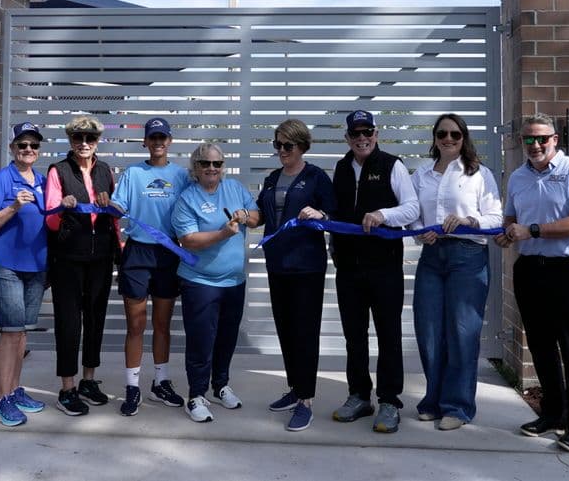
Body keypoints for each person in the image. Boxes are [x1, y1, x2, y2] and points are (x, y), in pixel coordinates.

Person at [493, 114, 569, 456]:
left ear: (555, 139)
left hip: (565, 270)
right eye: (528, 140)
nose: (535, 145)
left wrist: (532, 230)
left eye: (541, 139)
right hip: (529, 270)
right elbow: (511, 218)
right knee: (539, 345)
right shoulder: (519, 177)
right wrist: (507, 233)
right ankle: (552, 414)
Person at [328, 110, 420, 434]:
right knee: (354, 337)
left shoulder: (392, 165)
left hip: (384, 268)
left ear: (376, 134)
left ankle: (390, 401)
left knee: (389, 336)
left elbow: (412, 208)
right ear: (348, 138)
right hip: (348, 270)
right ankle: (358, 396)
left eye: (367, 132)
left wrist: (383, 214)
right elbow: (333, 210)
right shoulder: (340, 168)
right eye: (355, 134)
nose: (361, 138)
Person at [410, 114, 503, 431]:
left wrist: (469, 221)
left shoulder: (479, 173)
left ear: (464, 137)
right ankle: (433, 401)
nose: (448, 139)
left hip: (468, 255)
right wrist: (419, 231)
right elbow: (411, 213)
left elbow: (496, 218)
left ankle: (458, 406)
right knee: (429, 331)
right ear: (434, 138)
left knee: (463, 333)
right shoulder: (421, 174)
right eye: (441, 133)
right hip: (432, 256)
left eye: (455, 134)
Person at [256, 119, 337, 432]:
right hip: (277, 266)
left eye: (287, 145)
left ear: (302, 145)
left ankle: (306, 401)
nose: (281, 151)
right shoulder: (273, 178)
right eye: (277, 145)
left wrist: (320, 214)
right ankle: (294, 387)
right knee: (286, 330)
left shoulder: (315, 177)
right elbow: (263, 213)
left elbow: (334, 211)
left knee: (304, 332)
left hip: (306, 268)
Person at [171, 143, 262, 423]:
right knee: (201, 341)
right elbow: (188, 240)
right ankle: (196, 395)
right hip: (200, 282)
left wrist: (246, 216)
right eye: (206, 164)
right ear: (195, 168)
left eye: (217, 164)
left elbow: (257, 217)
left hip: (234, 281)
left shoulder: (234, 188)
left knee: (226, 338)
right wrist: (223, 233)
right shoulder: (187, 198)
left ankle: (220, 385)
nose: (212, 169)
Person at [110, 117, 190, 416]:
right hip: (138, 254)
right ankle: (132, 387)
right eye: (153, 137)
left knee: (162, 324)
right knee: (135, 325)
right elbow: (119, 206)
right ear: (145, 141)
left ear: (170, 141)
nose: (158, 142)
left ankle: (160, 382)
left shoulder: (181, 175)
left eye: (163, 137)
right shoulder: (133, 173)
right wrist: (108, 204)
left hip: (168, 253)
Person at [0, 122, 50, 427]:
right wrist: (13, 208)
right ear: (12, 149)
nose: (28, 150)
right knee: (9, 333)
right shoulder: (1, 179)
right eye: (22, 145)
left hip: (35, 268)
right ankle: (1, 400)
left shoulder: (45, 181)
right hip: (4, 266)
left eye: (33, 145)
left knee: (20, 333)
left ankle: (15, 391)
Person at [44, 115, 118, 416]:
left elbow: (116, 215)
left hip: (100, 257)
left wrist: (110, 205)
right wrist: (63, 207)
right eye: (78, 138)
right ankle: (67, 387)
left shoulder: (105, 171)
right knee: (69, 323)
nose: (84, 144)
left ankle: (88, 380)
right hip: (68, 259)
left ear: (98, 141)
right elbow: (49, 219)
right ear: (70, 141)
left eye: (90, 138)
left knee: (96, 319)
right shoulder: (58, 171)